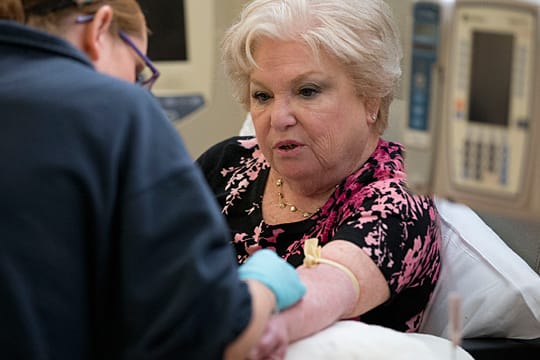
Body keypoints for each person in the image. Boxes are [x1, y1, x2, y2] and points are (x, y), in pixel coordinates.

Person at [0, 1, 306, 359]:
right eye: (137, 70)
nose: (138, 88)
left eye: (308, 91)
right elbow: (210, 333)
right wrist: (265, 284)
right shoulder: (116, 112)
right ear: (99, 28)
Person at [196, 0, 442, 357]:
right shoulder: (227, 165)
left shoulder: (397, 195)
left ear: (370, 97)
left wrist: (255, 326)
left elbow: (331, 286)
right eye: (262, 95)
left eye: (307, 91)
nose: (279, 118)